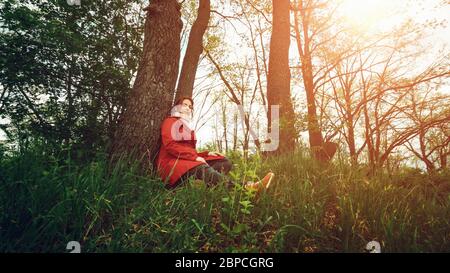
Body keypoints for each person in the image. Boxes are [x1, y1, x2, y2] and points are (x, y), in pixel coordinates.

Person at [156, 96, 274, 191]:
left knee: (224, 162)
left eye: (190, 106)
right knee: (201, 167)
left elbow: (189, 151)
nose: (188, 108)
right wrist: (195, 157)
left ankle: (204, 187)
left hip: (185, 161)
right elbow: (171, 145)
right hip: (172, 165)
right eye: (184, 104)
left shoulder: (187, 127)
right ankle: (247, 187)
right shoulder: (170, 121)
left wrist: (205, 154)